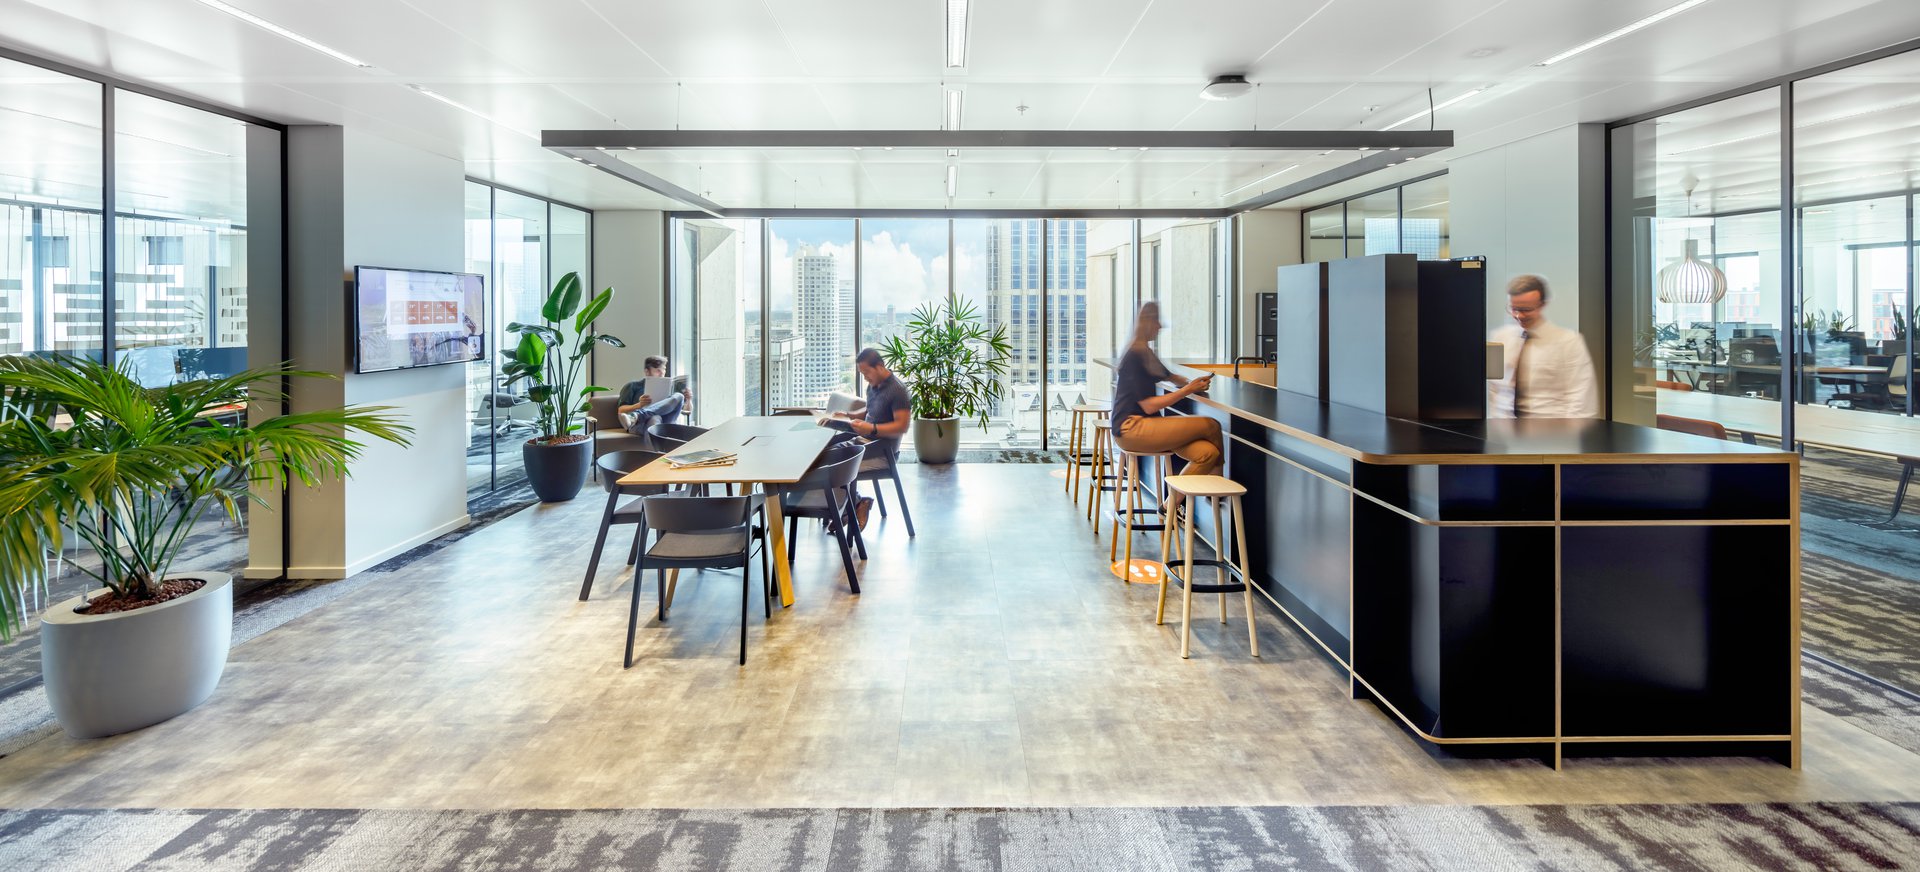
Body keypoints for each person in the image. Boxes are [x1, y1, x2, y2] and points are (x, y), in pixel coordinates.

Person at [1110, 301, 1221, 477]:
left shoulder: (1146, 353)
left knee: (1208, 453)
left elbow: (1171, 378)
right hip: (1131, 428)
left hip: (1147, 425)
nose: (1160, 326)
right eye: (1157, 322)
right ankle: (1217, 481)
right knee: (1211, 425)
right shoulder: (1135, 356)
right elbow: (1149, 406)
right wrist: (1188, 390)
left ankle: (1170, 505)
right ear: (1147, 324)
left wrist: (1192, 383)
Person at [1488, 274, 1599, 419]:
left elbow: (1582, 399)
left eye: (1526, 309)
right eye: (1514, 309)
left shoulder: (1569, 342)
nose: (1519, 315)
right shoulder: (1500, 337)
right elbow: (1494, 390)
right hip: (1502, 429)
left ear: (1542, 305)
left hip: (1548, 430)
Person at [827, 347, 911, 528]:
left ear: (880, 366)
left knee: (833, 465)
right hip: (865, 443)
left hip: (882, 452)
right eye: (862, 373)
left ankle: (851, 506)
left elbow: (902, 426)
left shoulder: (898, 391)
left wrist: (871, 428)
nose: (865, 377)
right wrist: (849, 415)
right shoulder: (873, 386)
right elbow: (869, 410)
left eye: (866, 372)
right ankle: (853, 503)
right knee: (825, 452)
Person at [617, 355, 692, 436]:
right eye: (658, 370)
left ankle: (637, 416)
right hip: (642, 424)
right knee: (655, 418)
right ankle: (637, 417)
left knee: (679, 396)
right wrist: (639, 405)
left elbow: (687, 411)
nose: (662, 373)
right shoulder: (633, 386)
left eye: (664, 370)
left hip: (667, 421)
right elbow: (621, 411)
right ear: (647, 372)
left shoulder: (670, 387)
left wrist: (688, 399)